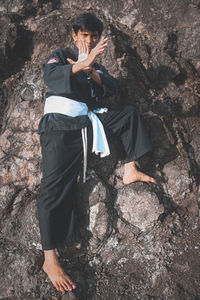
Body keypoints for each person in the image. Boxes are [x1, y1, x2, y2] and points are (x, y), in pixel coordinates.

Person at [37, 12, 156, 293]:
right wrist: (79, 66)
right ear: (75, 35)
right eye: (84, 35)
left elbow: (110, 88)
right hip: (60, 127)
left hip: (87, 123)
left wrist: (91, 69)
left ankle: (130, 169)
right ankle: (49, 258)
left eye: (93, 36)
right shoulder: (61, 55)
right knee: (54, 188)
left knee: (127, 115)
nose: (89, 41)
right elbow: (51, 78)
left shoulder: (97, 66)